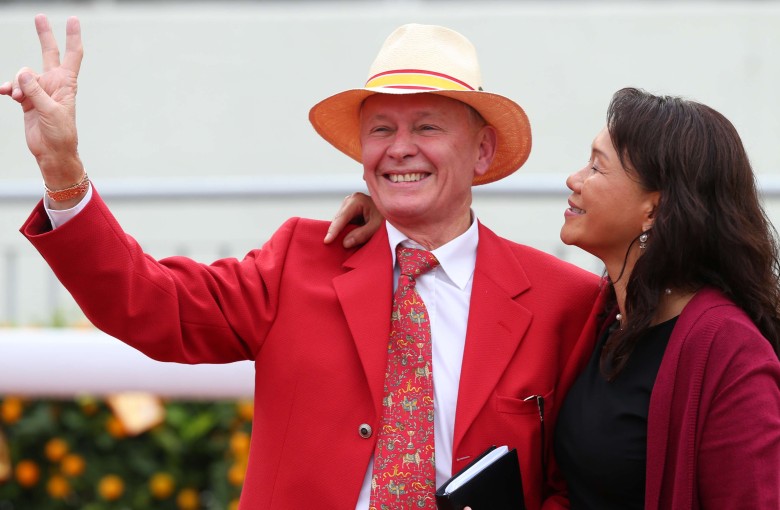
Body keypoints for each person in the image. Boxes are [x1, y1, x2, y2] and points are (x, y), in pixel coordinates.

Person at [2, 16, 603, 510]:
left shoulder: (565, 301)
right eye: (381, 129)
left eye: (427, 126)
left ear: (482, 151)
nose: (399, 148)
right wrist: (62, 170)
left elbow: (576, 483)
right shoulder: (300, 259)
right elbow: (150, 304)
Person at [335, 87, 780, 509]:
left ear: (655, 209)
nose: (574, 179)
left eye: (597, 167)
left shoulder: (728, 349)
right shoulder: (607, 318)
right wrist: (398, 217)